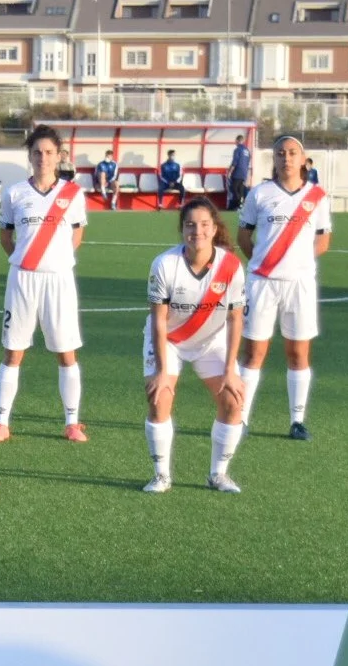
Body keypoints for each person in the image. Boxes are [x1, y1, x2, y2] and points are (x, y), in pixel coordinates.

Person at [142, 196, 247, 495]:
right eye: (190, 225)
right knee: (159, 397)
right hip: (169, 341)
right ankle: (161, 475)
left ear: (214, 229)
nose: (196, 231)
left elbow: (236, 319)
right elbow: (158, 321)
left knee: (233, 400)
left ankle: (218, 474)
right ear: (182, 230)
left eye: (203, 225)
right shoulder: (164, 264)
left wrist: (231, 370)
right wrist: (163, 371)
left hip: (211, 341)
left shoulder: (230, 266)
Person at [0, 124, 89, 443]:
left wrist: (55, 258)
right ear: (29, 156)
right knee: (13, 351)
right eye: (37, 152)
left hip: (59, 280)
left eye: (49, 153)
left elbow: (76, 233)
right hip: (23, 278)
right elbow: (6, 236)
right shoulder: (15, 193)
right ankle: (2, 421)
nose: (43, 158)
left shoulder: (72, 194)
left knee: (66, 352)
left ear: (59, 156)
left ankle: (72, 422)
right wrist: (26, 257)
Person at [237, 134, 332, 441]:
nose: (286, 158)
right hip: (262, 283)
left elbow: (323, 239)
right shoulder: (259, 194)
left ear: (303, 159)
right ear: (274, 159)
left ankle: (297, 420)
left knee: (298, 353)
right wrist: (265, 264)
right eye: (280, 153)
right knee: (254, 352)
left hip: (300, 286)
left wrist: (298, 262)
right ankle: (239, 418)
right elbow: (243, 236)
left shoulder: (317, 197)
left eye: (292, 153)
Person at [226, 134, 251, 210]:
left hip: (237, 172)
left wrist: (229, 172)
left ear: (237, 141)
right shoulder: (247, 150)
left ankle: (238, 204)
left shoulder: (237, 150)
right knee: (240, 189)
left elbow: (235, 162)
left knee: (234, 188)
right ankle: (240, 205)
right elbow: (248, 161)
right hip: (244, 173)